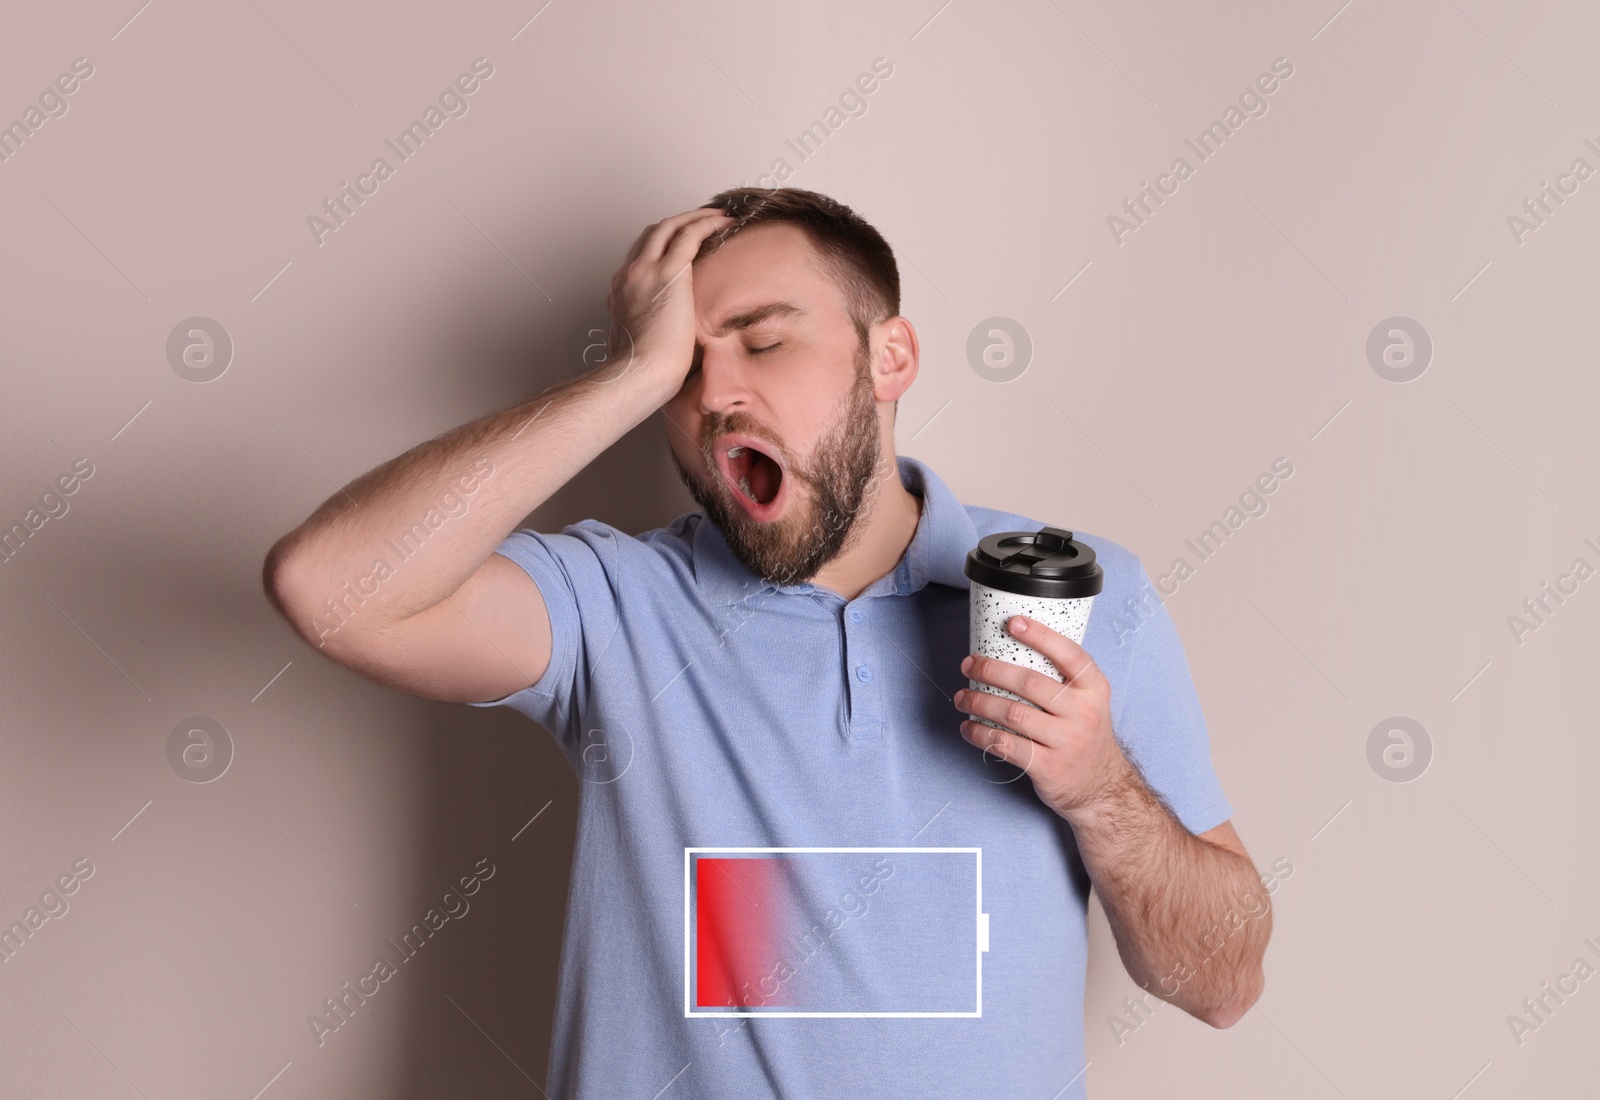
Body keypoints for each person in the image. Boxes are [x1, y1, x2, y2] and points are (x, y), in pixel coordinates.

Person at [263, 186, 1271, 1097]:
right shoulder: (616, 603)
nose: (715, 395)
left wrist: (1100, 787)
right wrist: (630, 373)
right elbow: (329, 588)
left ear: (890, 357)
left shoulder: (1071, 600)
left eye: (762, 340)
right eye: (685, 368)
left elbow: (1221, 982)